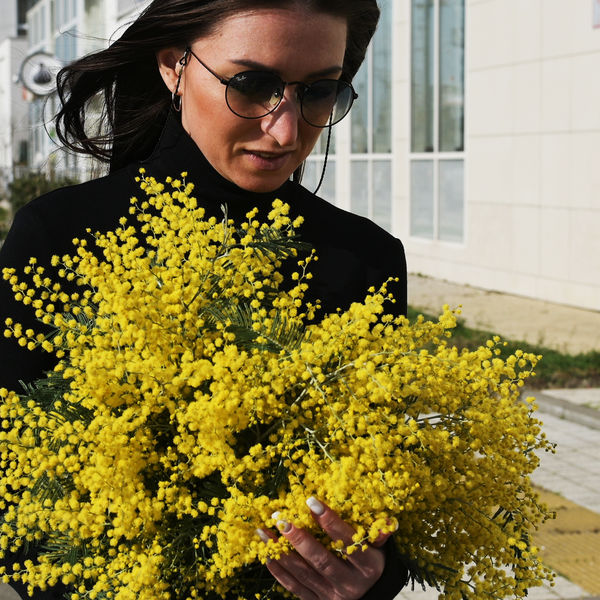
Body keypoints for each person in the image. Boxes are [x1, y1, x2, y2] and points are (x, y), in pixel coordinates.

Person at [0, 1, 408, 598]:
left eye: (319, 91)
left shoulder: (367, 261)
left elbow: (385, 493)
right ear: (174, 65)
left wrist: (372, 576)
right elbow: (16, 496)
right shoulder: (60, 238)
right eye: (252, 85)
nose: (286, 130)